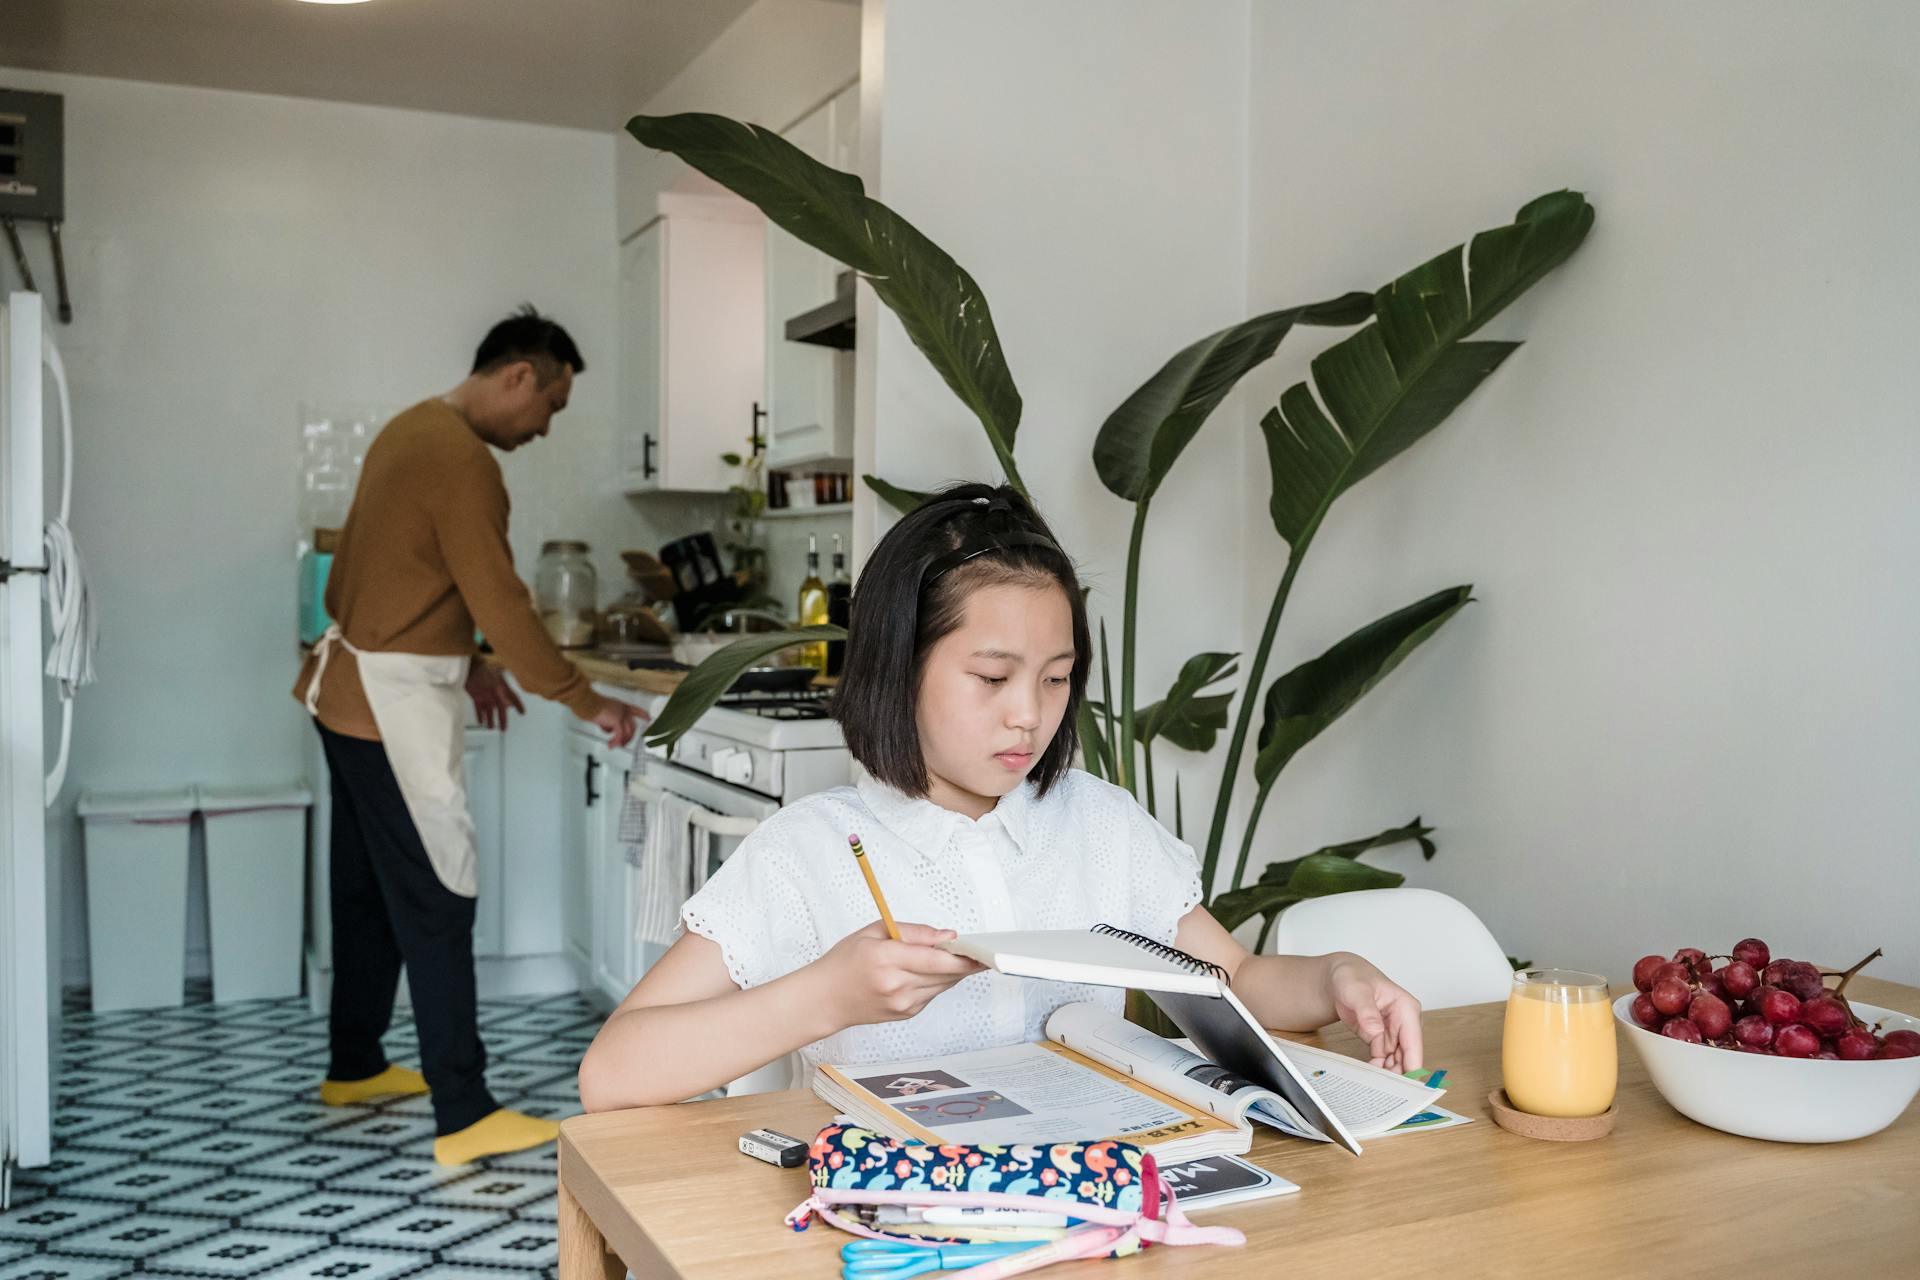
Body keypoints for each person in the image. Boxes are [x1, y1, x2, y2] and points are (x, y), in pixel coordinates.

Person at [577, 482, 1420, 1111]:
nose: (1030, 715)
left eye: (1056, 679)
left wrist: (1337, 976)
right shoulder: (810, 854)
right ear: (898, 667)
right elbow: (611, 1073)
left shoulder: (1100, 826)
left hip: (1094, 1216)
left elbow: (1237, 979)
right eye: (991, 677)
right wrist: (824, 997)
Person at [294, 306, 642, 1164]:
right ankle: (464, 1110)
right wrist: (581, 697)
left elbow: (396, 580)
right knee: (439, 895)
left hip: (347, 696)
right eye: (551, 405)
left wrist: (476, 661)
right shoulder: (462, 460)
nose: (545, 425)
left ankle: (355, 1064)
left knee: (370, 892)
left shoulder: (412, 429)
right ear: (521, 375)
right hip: (389, 705)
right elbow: (502, 599)